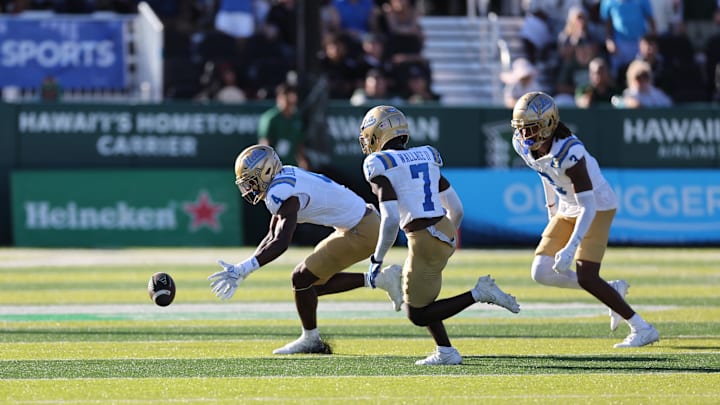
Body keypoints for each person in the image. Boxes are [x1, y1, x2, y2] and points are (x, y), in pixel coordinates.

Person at [358, 105, 520, 365]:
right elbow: (456, 208)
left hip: (423, 238)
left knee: (417, 314)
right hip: (444, 231)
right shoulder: (425, 155)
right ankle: (445, 351)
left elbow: (390, 220)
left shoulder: (378, 163)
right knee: (424, 299)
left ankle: (479, 293)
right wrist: (445, 239)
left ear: (379, 134)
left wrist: (377, 259)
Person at [208, 144, 403, 355]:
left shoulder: (279, 191)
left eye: (252, 181)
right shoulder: (283, 178)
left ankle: (311, 340)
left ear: (266, 172)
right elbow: (272, 234)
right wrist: (243, 268)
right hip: (360, 223)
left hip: (362, 230)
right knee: (309, 286)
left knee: (301, 279)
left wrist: (245, 268)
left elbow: (281, 242)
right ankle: (380, 280)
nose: (249, 188)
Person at [510, 91, 659, 348]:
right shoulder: (523, 144)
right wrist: (551, 210)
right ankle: (611, 289)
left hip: (597, 206)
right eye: (521, 129)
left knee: (587, 275)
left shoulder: (570, 152)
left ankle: (642, 327)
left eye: (530, 129)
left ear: (547, 125)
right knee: (541, 272)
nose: (524, 136)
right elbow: (542, 172)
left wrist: (570, 248)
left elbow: (588, 206)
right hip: (567, 207)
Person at [257, 82, 311, 170]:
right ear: (280, 98)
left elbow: (299, 144)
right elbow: (264, 144)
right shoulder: (270, 118)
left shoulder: (297, 118)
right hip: (275, 168)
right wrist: (269, 166)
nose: (290, 104)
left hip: (292, 167)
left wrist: (302, 162)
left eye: (293, 101)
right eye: (288, 100)